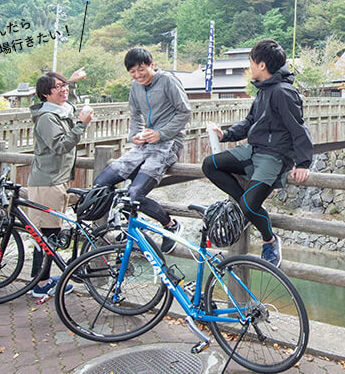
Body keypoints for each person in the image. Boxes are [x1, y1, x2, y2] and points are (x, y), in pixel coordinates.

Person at [201, 39, 313, 267]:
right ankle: (241, 208)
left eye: (251, 62)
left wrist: (303, 163)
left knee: (250, 207)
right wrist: (226, 135)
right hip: (253, 150)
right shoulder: (264, 89)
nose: (249, 66)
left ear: (262, 65)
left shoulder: (283, 92)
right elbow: (251, 121)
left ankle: (269, 239)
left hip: (274, 157)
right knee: (209, 164)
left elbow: (298, 128)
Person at [92, 48, 190, 253]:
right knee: (101, 183)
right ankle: (129, 226)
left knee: (134, 194)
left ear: (151, 64)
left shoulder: (167, 81)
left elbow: (184, 112)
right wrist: (134, 137)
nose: (138, 75)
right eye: (133, 72)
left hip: (169, 143)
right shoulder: (135, 87)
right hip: (143, 143)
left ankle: (171, 225)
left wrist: (161, 134)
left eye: (141, 69)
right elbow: (135, 116)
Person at [27, 71, 93, 298]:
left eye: (64, 85)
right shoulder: (47, 118)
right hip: (47, 183)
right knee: (48, 235)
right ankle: (41, 284)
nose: (63, 90)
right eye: (58, 87)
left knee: (46, 234)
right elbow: (60, 145)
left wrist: (72, 83)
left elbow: (69, 106)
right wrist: (82, 125)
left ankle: (39, 280)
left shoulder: (58, 112)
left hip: (54, 180)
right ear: (46, 94)